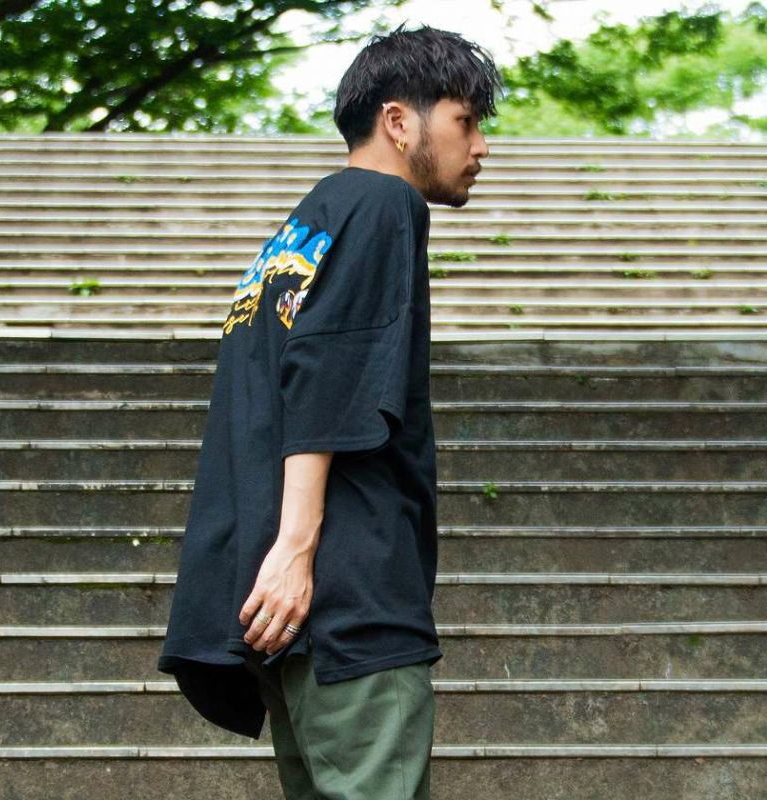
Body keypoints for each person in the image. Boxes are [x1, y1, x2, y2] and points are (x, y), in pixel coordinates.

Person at [157, 21, 505, 800]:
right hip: (345, 595)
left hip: (286, 612)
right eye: (466, 121)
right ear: (398, 121)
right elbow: (327, 378)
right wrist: (297, 549)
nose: (481, 147)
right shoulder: (385, 204)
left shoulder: (307, 225)